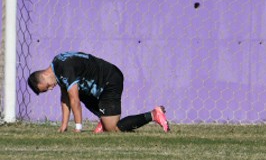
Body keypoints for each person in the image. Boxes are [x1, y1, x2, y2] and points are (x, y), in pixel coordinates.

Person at [27, 51, 170, 133]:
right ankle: (104, 117)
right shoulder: (57, 66)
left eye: (46, 87)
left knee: (114, 129)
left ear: (43, 76)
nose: (50, 89)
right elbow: (65, 97)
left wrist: (78, 128)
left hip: (110, 80)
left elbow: (75, 101)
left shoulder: (65, 69)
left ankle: (153, 114)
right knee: (72, 93)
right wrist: (64, 126)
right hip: (101, 83)